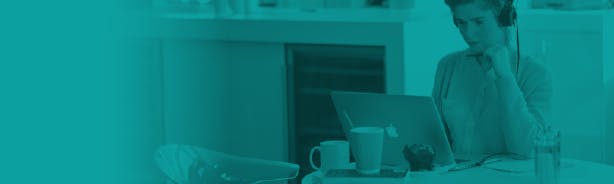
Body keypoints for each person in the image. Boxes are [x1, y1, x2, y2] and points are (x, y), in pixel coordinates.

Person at [432, 0, 553, 158]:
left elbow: (528, 150)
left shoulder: (535, 73)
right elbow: (434, 140)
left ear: (504, 19)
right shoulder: (448, 66)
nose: (468, 33)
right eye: (461, 22)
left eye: (479, 22)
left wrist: (505, 78)